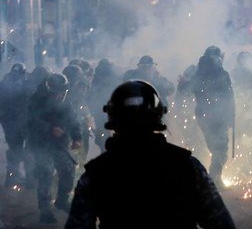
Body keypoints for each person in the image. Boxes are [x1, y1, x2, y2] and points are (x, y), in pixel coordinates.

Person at [64, 80, 237, 229]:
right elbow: (220, 223)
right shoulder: (187, 166)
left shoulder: (96, 173)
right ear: (158, 116)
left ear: (112, 119)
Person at [26, 73, 83, 224]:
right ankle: (45, 210)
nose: (60, 95)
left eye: (62, 92)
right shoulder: (36, 101)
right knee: (46, 174)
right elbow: (31, 121)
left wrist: (77, 137)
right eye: (56, 92)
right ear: (49, 90)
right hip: (41, 143)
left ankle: (62, 200)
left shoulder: (66, 101)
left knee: (68, 171)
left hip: (60, 144)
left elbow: (73, 119)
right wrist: (50, 129)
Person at [182, 46, 235, 190]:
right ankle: (213, 180)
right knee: (219, 149)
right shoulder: (207, 74)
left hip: (215, 115)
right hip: (211, 116)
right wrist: (183, 84)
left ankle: (215, 178)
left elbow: (229, 97)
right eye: (218, 58)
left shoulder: (204, 73)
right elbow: (187, 91)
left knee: (218, 149)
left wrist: (230, 116)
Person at [0, 63, 30, 187]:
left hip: (9, 122)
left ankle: (12, 177)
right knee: (21, 149)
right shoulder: (23, 83)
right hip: (17, 121)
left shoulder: (4, 83)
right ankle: (18, 178)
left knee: (14, 149)